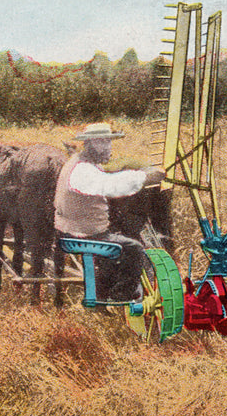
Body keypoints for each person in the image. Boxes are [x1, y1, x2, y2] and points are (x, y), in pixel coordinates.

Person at [53, 123, 165, 303]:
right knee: (134, 249)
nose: (108, 148)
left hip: (77, 230)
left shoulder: (82, 163)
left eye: (109, 142)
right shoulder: (82, 170)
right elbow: (110, 185)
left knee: (116, 237)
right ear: (88, 144)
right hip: (81, 235)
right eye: (102, 143)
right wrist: (144, 177)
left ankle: (103, 289)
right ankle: (120, 296)